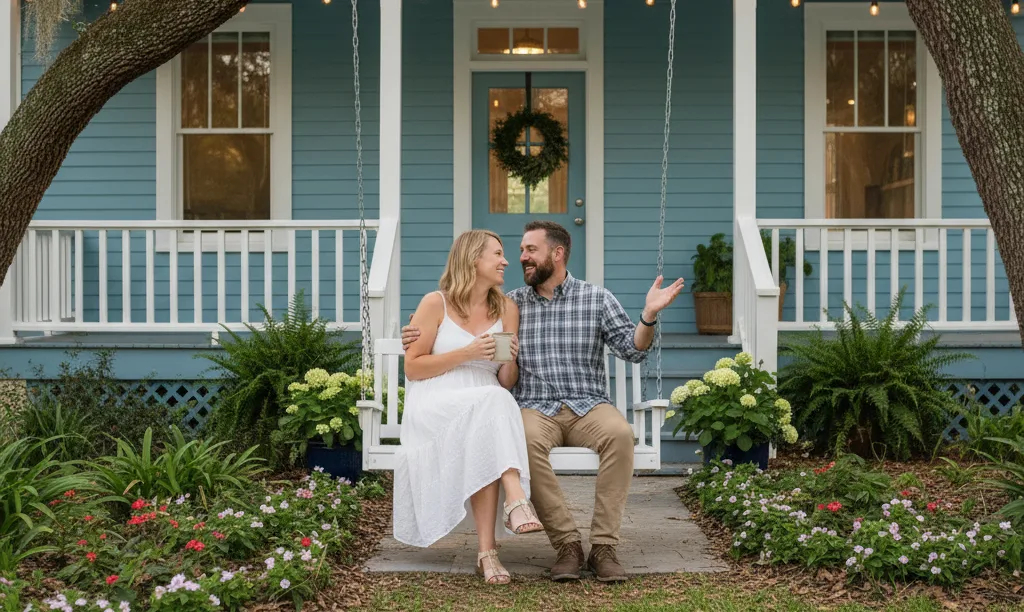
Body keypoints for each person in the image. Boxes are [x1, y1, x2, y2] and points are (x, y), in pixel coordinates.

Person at [402, 220, 684, 583]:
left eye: (530, 251)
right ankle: (567, 545)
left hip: (589, 404)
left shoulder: (596, 298)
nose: (521, 258)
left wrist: (648, 316)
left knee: (619, 434)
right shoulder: (509, 304)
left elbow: (633, 350)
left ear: (558, 253)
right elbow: (459, 338)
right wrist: (413, 332)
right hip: (535, 407)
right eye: (517, 252)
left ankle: (603, 547)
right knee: (523, 441)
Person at [393, 229, 544, 585]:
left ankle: (487, 554)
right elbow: (413, 369)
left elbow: (506, 380)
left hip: (486, 401)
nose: (506, 261)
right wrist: (467, 353)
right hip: (435, 398)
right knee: (492, 404)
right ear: (473, 259)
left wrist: (510, 362)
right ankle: (516, 497)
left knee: (492, 406)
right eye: (497, 253)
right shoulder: (436, 303)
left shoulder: (506, 308)